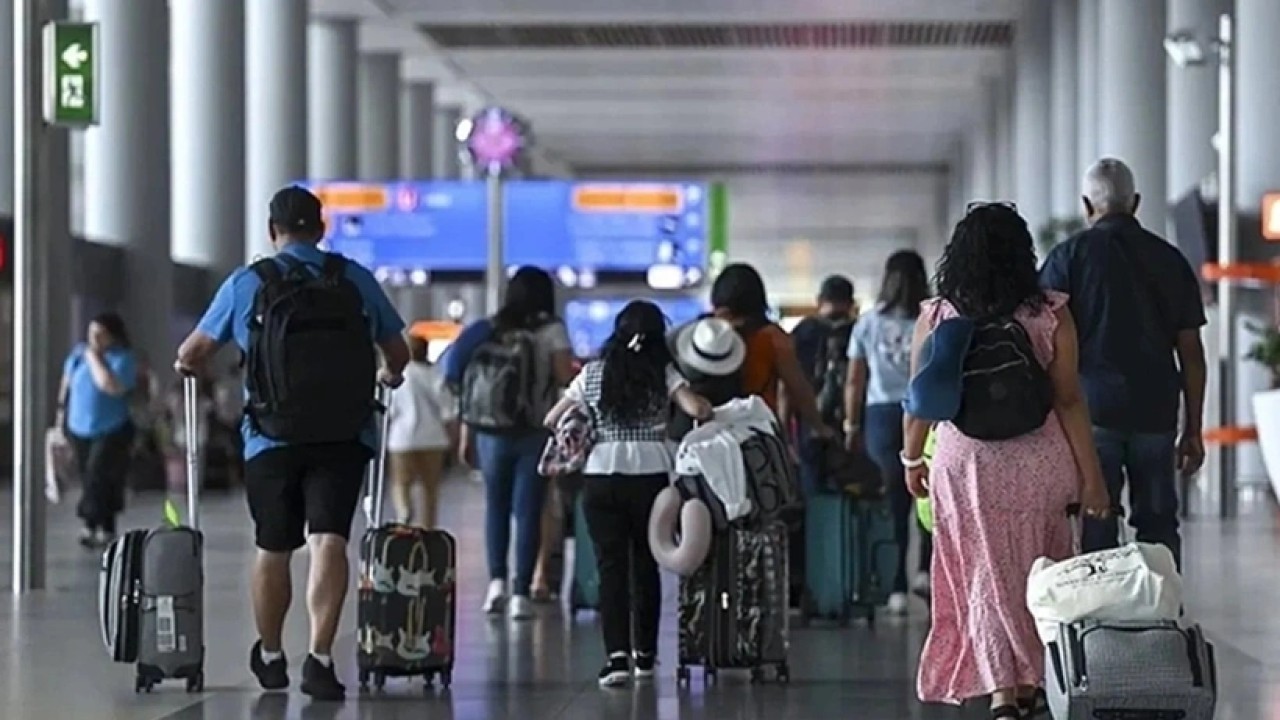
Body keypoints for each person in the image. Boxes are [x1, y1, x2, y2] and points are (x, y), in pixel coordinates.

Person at [175, 186, 410, 701]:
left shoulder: (248, 283)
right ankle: (321, 658)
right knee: (329, 540)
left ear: (272, 231)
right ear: (321, 229)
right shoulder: (353, 279)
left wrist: (191, 366)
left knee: (274, 546)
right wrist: (387, 373)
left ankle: (272, 653)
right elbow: (398, 351)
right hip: (344, 434)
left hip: (270, 437)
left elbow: (192, 353)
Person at [902, 203, 1110, 716]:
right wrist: (1093, 478)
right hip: (1041, 461)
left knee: (983, 574)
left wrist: (911, 459)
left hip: (966, 464)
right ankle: (1035, 679)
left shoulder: (939, 315)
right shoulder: (1049, 312)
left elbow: (920, 398)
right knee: (1041, 570)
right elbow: (1068, 399)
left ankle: (1002, 692)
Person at [1040, 158, 1207, 567]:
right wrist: (1194, 429)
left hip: (1090, 412)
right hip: (1156, 413)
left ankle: (1103, 606)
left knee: (1096, 521)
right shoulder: (1170, 259)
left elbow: (1044, 343)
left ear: (1086, 205)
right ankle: (1162, 601)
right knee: (1159, 525)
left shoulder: (1066, 258)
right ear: (1136, 202)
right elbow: (1191, 352)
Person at [544, 300, 713, 687]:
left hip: (601, 476)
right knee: (646, 565)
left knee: (611, 568)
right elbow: (697, 409)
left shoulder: (592, 373)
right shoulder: (662, 372)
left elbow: (551, 418)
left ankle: (616, 658)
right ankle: (646, 658)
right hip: (651, 476)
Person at [455, 266, 575, 619]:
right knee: (528, 511)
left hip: (490, 431)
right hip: (534, 430)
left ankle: (496, 584)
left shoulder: (492, 327)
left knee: (495, 506)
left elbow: (460, 376)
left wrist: (466, 432)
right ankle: (521, 592)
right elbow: (564, 375)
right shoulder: (552, 329)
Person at [844, 250, 933, 615]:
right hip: (925, 410)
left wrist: (851, 425)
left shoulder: (868, 324)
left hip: (880, 414)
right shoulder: (932, 318)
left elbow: (854, 379)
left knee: (894, 496)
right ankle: (925, 571)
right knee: (928, 491)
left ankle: (895, 584)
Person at [58, 312, 138, 548]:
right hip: (79, 427)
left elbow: (109, 385)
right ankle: (101, 524)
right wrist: (59, 420)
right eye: (91, 333)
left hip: (110, 428)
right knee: (89, 477)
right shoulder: (77, 356)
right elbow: (66, 386)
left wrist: (94, 357)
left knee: (98, 474)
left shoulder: (122, 359)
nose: (94, 338)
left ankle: (92, 522)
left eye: (100, 334)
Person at [789, 275, 858, 497]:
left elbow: (787, 382)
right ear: (851, 303)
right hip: (851, 418)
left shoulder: (803, 331)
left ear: (819, 300)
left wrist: (784, 425)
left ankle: (816, 517)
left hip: (809, 414)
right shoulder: (857, 330)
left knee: (810, 479)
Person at [386, 335, 457, 529]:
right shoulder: (435, 374)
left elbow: (390, 410)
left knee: (401, 483)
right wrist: (454, 438)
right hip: (433, 439)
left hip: (401, 440)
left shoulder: (398, 376)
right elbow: (447, 409)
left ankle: (404, 512)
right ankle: (427, 528)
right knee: (430, 489)